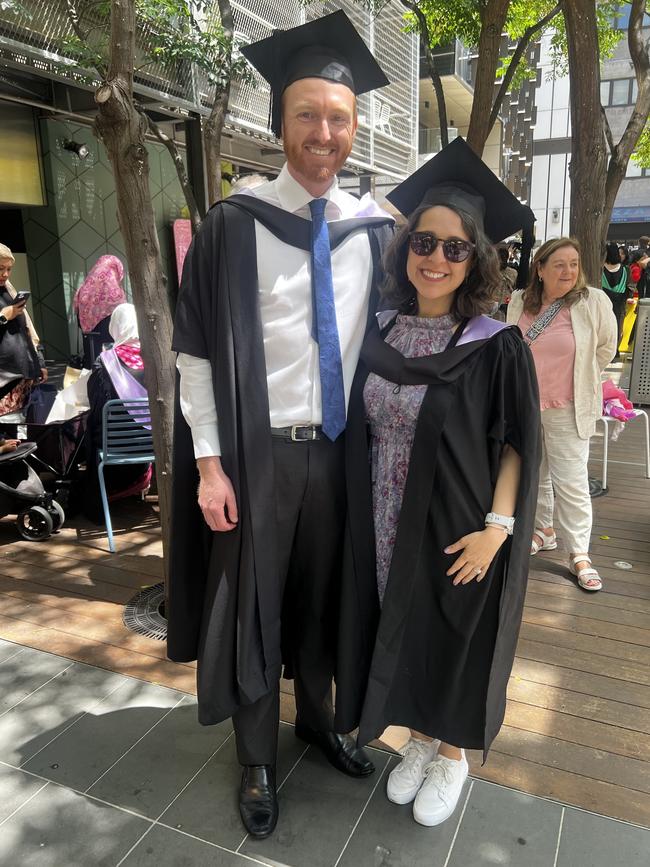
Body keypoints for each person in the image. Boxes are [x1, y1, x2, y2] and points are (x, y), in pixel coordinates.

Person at [168, 10, 395, 840]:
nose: (323, 133)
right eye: (307, 115)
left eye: (338, 118)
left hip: (344, 453)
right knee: (257, 604)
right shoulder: (232, 225)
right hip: (260, 457)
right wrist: (210, 464)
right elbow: (194, 355)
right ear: (281, 123)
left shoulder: (377, 232)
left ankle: (322, 718)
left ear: (353, 127)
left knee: (333, 592)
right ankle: (258, 756)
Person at [335, 138, 541, 829]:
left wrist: (498, 529)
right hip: (387, 514)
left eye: (456, 247)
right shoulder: (383, 328)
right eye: (424, 240)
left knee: (452, 634)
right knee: (407, 625)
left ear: (476, 258)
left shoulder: (495, 342)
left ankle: (450, 752)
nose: (436, 257)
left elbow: (516, 443)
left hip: (458, 518)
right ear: (405, 247)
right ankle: (418, 741)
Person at [508, 238, 618, 592]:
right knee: (535, 474)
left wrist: (580, 379)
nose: (569, 271)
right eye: (559, 264)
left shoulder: (592, 301)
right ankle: (545, 529)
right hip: (526, 404)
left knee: (570, 481)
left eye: (573, 263)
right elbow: (512, 348)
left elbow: (605, 349)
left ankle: (579, 553)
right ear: (540, 269)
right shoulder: (518, 301)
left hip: (568, 406)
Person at [83, 303, 151, 519]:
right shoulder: (156, 359)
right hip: (153, 445)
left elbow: (95, 408)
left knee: (89, 430)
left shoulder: (105, 362)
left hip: (113, 447)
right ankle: (141, 480)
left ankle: (100, 499)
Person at [0, 243, 47, 419]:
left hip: (20, 380)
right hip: (4, 385)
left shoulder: (8, 291)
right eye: (0, 268)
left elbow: (26, 329)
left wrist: (39, 362)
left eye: (9, 269)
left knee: (21, 438)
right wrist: (4, 316)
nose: (5, 274)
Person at [73, 255, 127, 368]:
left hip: (91, 354)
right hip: (112, 359)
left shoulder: (83, 291)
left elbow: (79, 321)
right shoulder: (115, 294)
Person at [601, 241, 628, 353]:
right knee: (616, 325)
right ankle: (614, 351)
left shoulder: (600, 268)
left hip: (604, 299)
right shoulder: (625, 269)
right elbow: (628, 287)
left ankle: (603, 349)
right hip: (619, 302)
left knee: (603, 325)